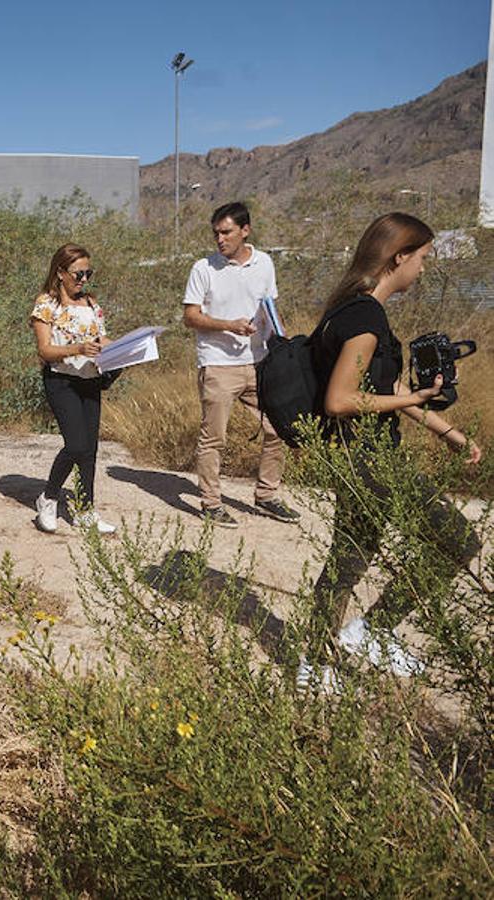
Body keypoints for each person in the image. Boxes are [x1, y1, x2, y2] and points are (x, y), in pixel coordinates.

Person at [298, 212, 482, 693]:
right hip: (369, 458)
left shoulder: (351, 309)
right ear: (399, 257)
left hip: (352, 454)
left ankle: (315, 665)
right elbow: (341, 400)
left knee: (348, 558)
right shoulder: (365, 319)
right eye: (422, 257)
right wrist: (415, 398)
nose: (423, 268)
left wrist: (447, 431)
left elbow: (384, 386)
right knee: (459, 540)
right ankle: (371, 632)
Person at [183, 201, 298, 528]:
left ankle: (267, 495)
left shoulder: (265, 263)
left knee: (278, 428)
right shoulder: (203, 268)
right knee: (214, 437)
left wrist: (281, 342)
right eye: (216, 234)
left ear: (245, 230)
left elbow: (269, 306)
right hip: (218, 365)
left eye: (226, 232)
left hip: (259, 363)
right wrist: (228, 325)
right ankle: (211, 503)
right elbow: (190, 317)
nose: (220, 239)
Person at [31, 244, 115, 535]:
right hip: (61, 380)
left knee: (90, 448)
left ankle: (85, 509)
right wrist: (77, 349)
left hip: (90, 379)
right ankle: (49, 497)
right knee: (76, 445)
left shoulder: (91, 303)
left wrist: (125, 349)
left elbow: (102, 339)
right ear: (61, 272)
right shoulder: (46, 304)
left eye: (88, 273)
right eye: (78, 274)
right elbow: (45, 350)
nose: (84, 279)